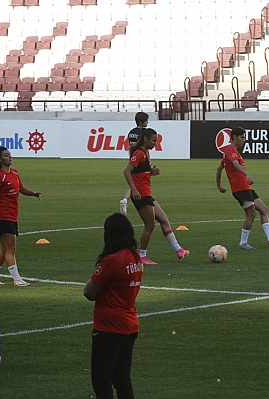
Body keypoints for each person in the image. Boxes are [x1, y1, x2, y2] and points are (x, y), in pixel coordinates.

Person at [84, 213, 143, 399]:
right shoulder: (135, 258)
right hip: (130, 324)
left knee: (102, 382)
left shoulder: (113, 260)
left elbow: (89, 291)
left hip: (109, 326)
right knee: (122, 379)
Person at [123, 128, 189, 265]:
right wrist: (134, 190)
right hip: (141, 194)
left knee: (164, 220)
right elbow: (127, 171)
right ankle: (142, 256)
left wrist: (151, 172)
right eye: (154, 141)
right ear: (145, 139)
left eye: (156, 141)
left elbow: (140, 172)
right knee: (150, 224)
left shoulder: (145, 153)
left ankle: (179, 250)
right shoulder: (139, 153)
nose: (155, 143)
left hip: (147, 193)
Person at [0, 146, 42, 287]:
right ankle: (17, 279)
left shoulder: (14, 173)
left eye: (10, 155)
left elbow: (20, 188)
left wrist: (33, 193)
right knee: (11, 249)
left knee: (5, 249)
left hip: (12, 217)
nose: (10, 157)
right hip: (3, 217)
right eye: (6, 155)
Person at [216, 126, 269, 249]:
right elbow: (235, 164)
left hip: (245, 188)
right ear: (234, 137)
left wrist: (219, 185)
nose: (244, 140)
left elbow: (219, 168)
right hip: (240, 188)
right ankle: (243, 243)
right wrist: (246, 174)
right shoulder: (231, 150)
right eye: (242, 137)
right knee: (251, 214)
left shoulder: (230, 152)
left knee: (264, 210)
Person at [120, 112, 150, 216]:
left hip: (133, 159)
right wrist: (149, 162)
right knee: (139, 184)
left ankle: (125, 199)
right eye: (146, 121)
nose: (148, 122)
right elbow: (145, 149)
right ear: (141, 122)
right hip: (141, 160)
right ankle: (128, 199)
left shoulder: (131, 132)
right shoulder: (144, 133)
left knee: (135, 183)